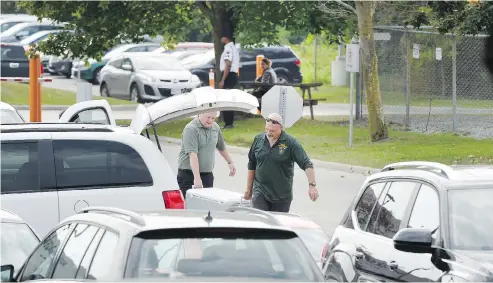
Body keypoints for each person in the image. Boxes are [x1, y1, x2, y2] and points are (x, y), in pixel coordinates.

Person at [243, 113, 319, 212]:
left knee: (276, 226)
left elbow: (307, 164)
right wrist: (249, 189)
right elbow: (252, 164)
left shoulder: (290, 143)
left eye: (272, 131)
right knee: (260, 223)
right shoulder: (258, 139)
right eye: (267, 129)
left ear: (281, 128)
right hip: (260, 192)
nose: (269, 133)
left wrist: (312, 186)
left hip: (282, 197)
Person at [177, 111, 236, 198]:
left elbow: (221, 147)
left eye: (213, 118)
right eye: (208, 117)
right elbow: (193, 155)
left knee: (206, 206)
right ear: (200, 113)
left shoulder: (215, 127)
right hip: (189, 175)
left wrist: (230, 162)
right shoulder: (191, 129)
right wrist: (197, 178)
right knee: (191, 207)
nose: (210, 121)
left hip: (207, 175)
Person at [218, 33, 240, 129]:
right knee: (229, 99)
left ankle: (228, 123)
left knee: (226, 99)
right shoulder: (234, 48)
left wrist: (223, 79)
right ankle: (228, 122)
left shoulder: (228, 48)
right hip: (233, 74)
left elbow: (228, 64)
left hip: (229, 75)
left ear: (225, 37)